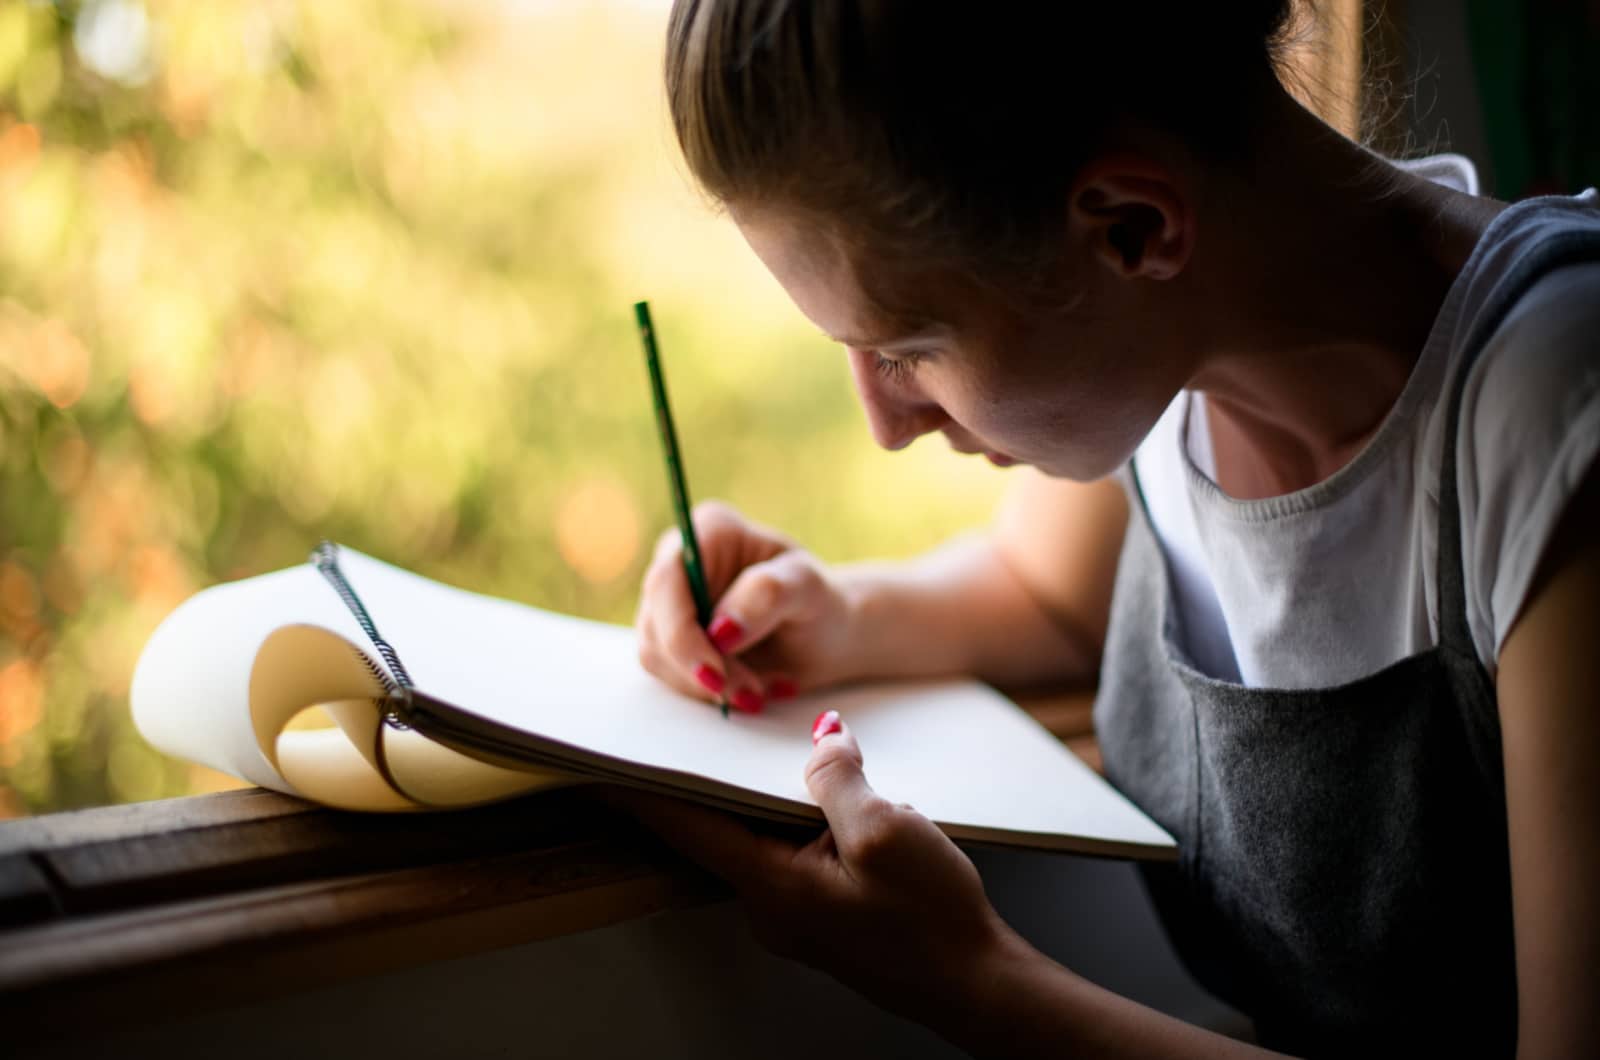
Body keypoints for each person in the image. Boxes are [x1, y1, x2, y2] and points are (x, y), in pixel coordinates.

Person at [622, 2, 1600, 1055]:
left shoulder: (1556, 414)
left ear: (1131, 224)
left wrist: (972, 982)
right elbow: (1043, 592)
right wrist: (828, 612)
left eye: (905, 347)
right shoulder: (1172, 349)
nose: (885, 424)